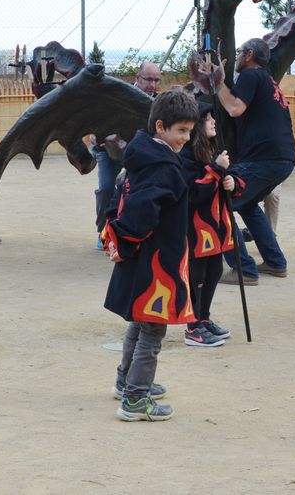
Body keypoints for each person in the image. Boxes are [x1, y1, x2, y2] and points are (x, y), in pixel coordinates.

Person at [102, 88, 198, 422]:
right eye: (181, 130)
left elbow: (119, 196)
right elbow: (141, 212)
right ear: (160, 126)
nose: (186, 138)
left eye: (189, 131)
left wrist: (120, 238)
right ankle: (136, 398)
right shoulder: (162, 167)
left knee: (140, 321)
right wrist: (125, 239)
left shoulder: (142, 156)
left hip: (146, 258)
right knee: (153, 330)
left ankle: (126, 381)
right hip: (157, 263)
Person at [205, 38, 295, 285]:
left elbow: (234, 108)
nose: (236, 57)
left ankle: (244, 269)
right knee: (247, 205)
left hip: (263, 158)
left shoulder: (251, 75)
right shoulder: (267, 80)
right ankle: (275, 262)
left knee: (219, 202)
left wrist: (217, 80)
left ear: (248, 55)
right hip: (283, 159)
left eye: (239, 52)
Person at [179, 103, 241, 348]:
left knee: (214, 271)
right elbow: (193, 192)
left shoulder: (212, 150)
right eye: (207, 119)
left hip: (216, 228)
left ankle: (203, 318)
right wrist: (216, 170)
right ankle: (193, 327)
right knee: (196, 276)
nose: (213, 121)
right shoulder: (186, 155)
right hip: (196, 229)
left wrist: (232, 182)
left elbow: (228, 178)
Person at [90, 61, 162, 249]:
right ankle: (103, 230)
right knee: (106, 188)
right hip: (110, 152)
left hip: (137, 155)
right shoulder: (118, 96)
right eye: (148, 79)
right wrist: (106, 136)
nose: (153, 85)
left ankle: (139, 232)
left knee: (141, 189)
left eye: (157, 80)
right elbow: (95, 131)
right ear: (137, 78)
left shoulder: (158, 103)